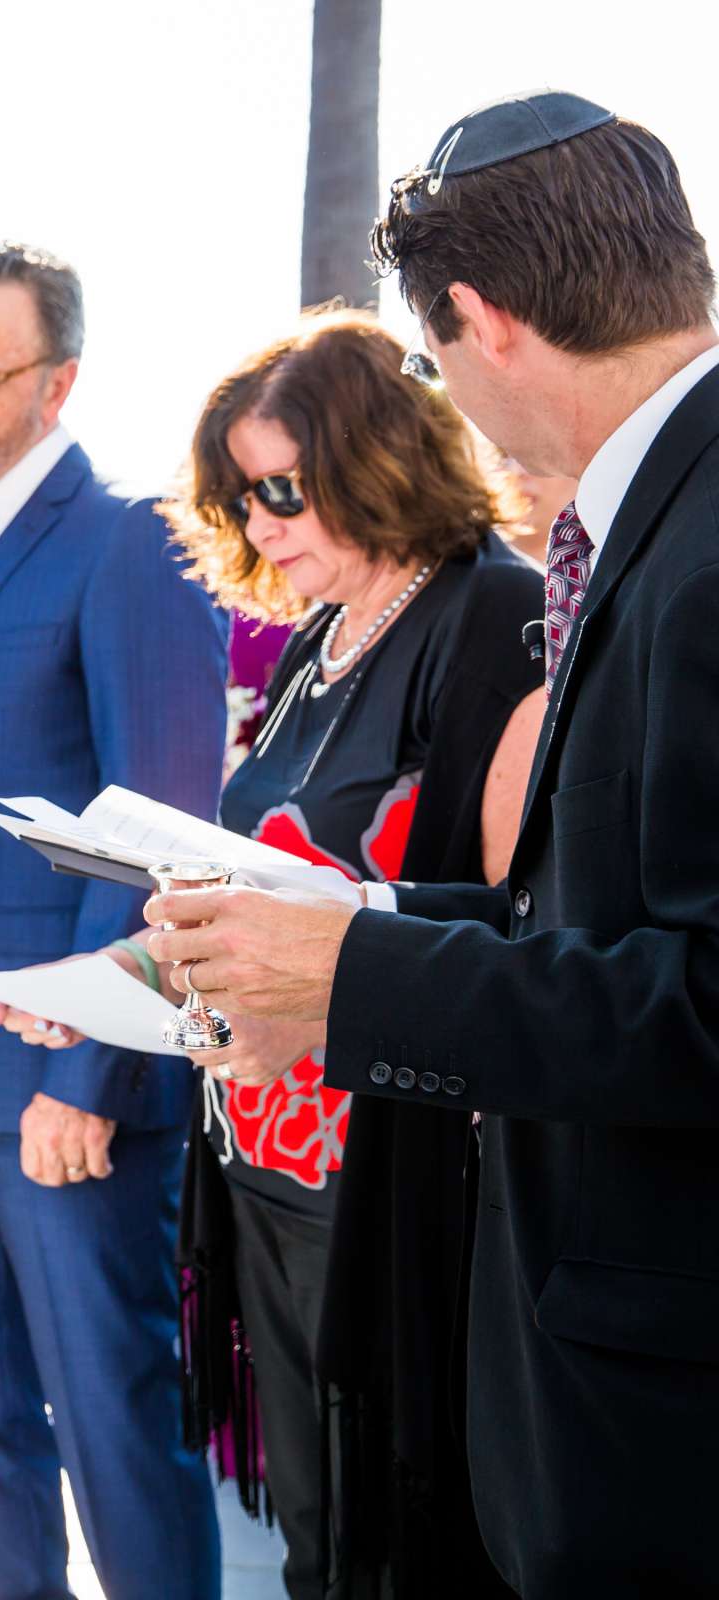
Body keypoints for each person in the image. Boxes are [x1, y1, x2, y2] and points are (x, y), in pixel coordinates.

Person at [146, 91, 719, 1594]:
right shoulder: (663, 510)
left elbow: (705, 1003)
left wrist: (358, 976)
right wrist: (357, 924)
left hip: (663, 1411)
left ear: (479, 319)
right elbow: (590, 906)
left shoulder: (696, 539)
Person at [0, 309, 544, 1599]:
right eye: (241, 497)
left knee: (410, 1546)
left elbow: (524, 922)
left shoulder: (494, 620)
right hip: (268, 1172)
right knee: (317, 1541)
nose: (260, 526)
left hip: (402, 1184)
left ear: (379, 454)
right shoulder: (316, 640)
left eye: (284, 488)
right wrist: (109, 989)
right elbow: (269, 893)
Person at [0, 235, 226, 1599]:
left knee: (117, 1434)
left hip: (63, 1098)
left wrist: (87, 1071)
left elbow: (167, 840)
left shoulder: (131, 544)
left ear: (59, 382)